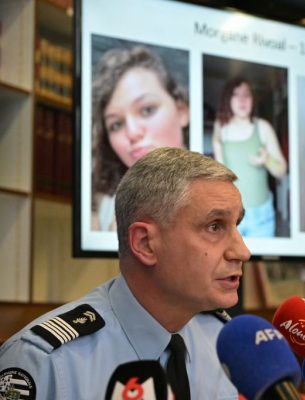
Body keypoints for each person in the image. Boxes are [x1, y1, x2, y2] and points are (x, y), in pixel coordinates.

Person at [0, 147, 251, 399]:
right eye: (214, 226)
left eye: (237, 225)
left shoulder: (223, 339)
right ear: (145, 243)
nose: (242, 251)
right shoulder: (43, 363)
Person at [91, 45, 190, 231]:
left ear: (182, 111)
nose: (132, 133)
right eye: (116, 124)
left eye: (147, 110)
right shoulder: (100, 212)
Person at [212, 76, 287, 237]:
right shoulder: (221, 127)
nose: (242, 99)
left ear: (252, 99)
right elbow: (219, 176)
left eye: (246, 94)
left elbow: (281, 171)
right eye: (236, 94)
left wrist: (267, 160)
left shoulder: (263, 127)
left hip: (262, 217)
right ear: (228, 99)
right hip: (230, 216)